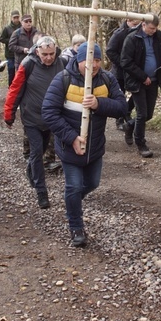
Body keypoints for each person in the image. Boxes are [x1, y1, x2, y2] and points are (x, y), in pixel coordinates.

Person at [42, 42, 127, 247]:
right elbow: (49, 113)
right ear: (78, 60)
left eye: (97, 60)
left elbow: (122, 107)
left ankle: (72, 204)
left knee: (92, 183)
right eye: (89, 60)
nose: (94, 65)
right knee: (73, 186)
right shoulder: (62, 79)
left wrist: (99, 104)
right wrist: (72, 138)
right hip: (70, 147)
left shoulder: (107, 79)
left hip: (95, 147)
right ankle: (76, 227)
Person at [4, 36, 64, 209]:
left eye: (51, 53)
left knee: (42, 149)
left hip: (51, 117)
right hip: (31, 117)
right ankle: (41, 191)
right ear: (37, 51)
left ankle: (31, 168)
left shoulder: (62, 63)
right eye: (45, 54)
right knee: (37, 151)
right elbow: (15, 89)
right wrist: (9, 114)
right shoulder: (27, 64)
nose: (48, 57)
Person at [120, 14, 161, 158]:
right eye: (151, 28)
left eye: (155, 28)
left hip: (154, 80)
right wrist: (143, 77)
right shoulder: (132, 39)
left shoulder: (159, 36)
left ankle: (129, 125)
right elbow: (125, 62)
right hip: (137, 82)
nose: (153, 31)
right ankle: (141, 143)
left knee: (148, 114)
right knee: (142, 114)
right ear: (143, 25)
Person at [106, 17, 141, 130]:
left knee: (138, 93)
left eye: (137, 24)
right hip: (120, 72)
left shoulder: (141, 33)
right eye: (133, 23)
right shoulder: (119, 34)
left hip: (134, 71)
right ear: (128, 21)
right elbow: (110, 51)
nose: (135, 26)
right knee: (120, 95)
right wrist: (123, 63)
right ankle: (120, 118)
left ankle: (127, 111)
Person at [0, 10, 22, 86]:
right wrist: (12, 40)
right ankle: (10, 88)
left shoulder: (22, 27)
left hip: (20, 53)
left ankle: (19, 88)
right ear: (11, 18)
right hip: (10, 54)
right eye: (14, 17)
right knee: (11, 71)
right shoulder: (7, 28)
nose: (16, 19)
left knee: (20, 72)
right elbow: (2, 39)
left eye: (17, 17)